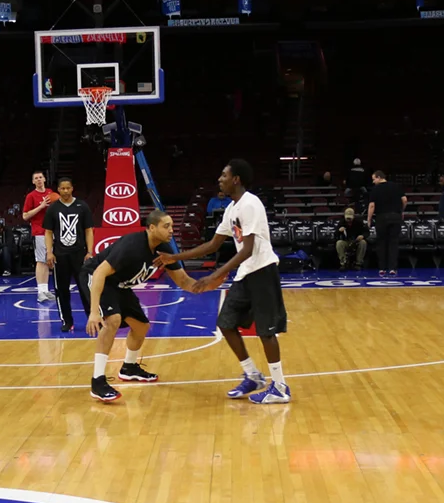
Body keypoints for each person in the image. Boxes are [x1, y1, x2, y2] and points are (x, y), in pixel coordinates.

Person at [157, 159, 291, 404]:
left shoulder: (250, 204)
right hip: (246, 274)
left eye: (224, 175)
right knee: (226, 323)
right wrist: (174, 257)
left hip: (262, 271)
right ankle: (253, 375)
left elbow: (248, 249)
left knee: (266, 331)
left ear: (236, 179)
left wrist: (216, 274)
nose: (220, 179)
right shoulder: (231, 208)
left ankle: (280, 387)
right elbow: (213, 244)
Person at [83, 210, 203, 402]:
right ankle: (97, 381)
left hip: (120, 285)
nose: (171, 230)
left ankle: (129, 367)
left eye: (172, 226)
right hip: (97, 277)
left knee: (141, 326)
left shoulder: (164, 249)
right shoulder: (132, 245)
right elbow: (99, 273)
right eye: (166, 226)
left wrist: (207, 284)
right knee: (113, 320)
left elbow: (183, 281)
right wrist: (94, 312)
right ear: (152, 227)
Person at [43, 177, 96, 332]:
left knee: (86, 288)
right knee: (61, 290)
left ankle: (92, 318)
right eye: (63, 188)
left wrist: (90, 252)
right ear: (58, 190)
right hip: (60, 255)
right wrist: (49, 252)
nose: (65, 191)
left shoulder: (82, 206)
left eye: (68, 188)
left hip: (80, 254)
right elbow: (48, 232)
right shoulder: (53, 208)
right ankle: (67, 321)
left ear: (72, 188)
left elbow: (88, 230)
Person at [22, 170, 57, 301]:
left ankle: (45, 290)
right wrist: (41, 206)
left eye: (40, 177)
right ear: (33, 181)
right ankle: (40, 292)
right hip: (40, 232)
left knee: (48, 261)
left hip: (52, 231)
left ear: (44, 179)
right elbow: (25, 216)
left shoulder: (51, 193)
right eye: (36, 178)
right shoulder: (31, 196)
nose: (38, 179)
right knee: (41, 261)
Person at [367, 170, 406, 275]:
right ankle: (392, 268)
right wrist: (401, 211)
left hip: (381, 217)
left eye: (374, 179)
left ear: (379, 177)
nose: (373, 182)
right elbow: (404, 200)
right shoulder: (396, 186)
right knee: (394, 243)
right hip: (395, 216)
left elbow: (372, 205)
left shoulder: (375, 189)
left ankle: (382, 268)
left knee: (381, 243)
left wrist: (369, 219)